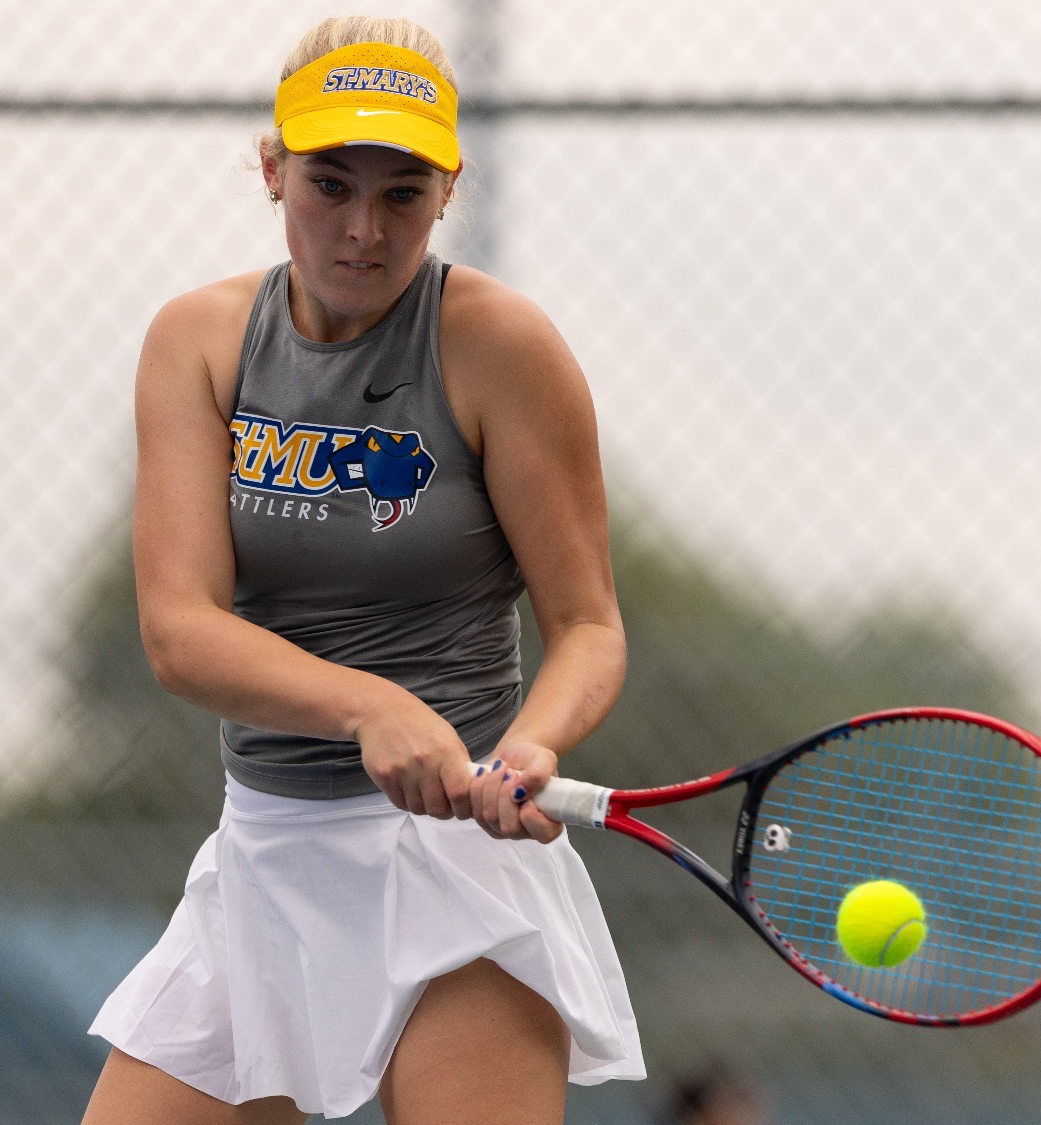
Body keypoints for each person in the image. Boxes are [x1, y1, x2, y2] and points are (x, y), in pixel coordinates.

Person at [81, 16, 643, 1125]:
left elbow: (589, 626)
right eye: (329, 184)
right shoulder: (196, 341)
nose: (360, 229)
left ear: (447, 192)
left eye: (401, 194)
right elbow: (178, 631)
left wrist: (533, 744)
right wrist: (368, 708)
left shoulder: (502, 346)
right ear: (271, 168)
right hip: (263, 860)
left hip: (452, 876)